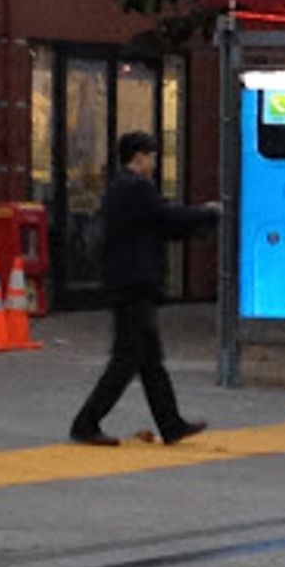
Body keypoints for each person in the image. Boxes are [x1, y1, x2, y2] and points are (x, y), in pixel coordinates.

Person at [70, 131, 220, 446]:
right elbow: (165, 218)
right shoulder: (135, 187)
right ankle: (86, 423)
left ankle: (171, 424)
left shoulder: (121, 188)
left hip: (129, 282)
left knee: (151, 361)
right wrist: (208, 213)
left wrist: (197, 220)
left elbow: (157, 224)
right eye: (152, 156)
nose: (154, 163)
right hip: (133, 284)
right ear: (139, 157)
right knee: (126, 360)